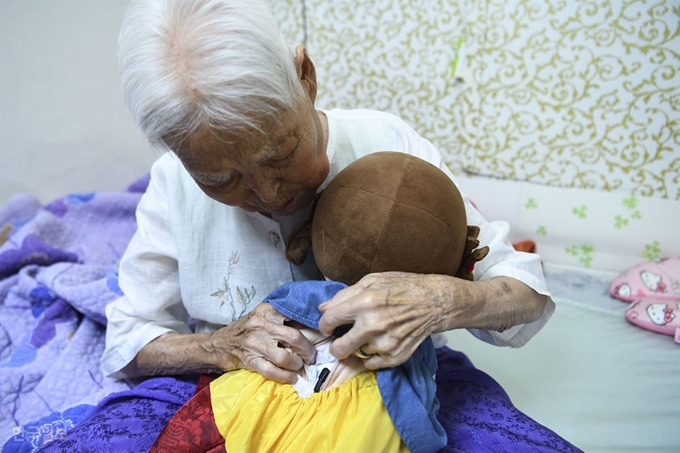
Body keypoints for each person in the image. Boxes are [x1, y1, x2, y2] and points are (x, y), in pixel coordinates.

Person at [94, 0, 576, 450]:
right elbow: (130, 339)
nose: (270, 195)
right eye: (221, 179)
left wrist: (439, 301)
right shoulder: (172, 183)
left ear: (305, 78)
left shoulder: (388, 146)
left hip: (393, 384)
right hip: (230, 393)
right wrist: (219, 345)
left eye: (280, 157)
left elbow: (526, 293)